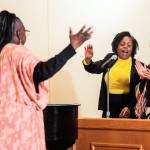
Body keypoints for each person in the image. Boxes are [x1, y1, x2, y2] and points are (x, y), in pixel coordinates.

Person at [0, 10, 93, 150]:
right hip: (21, 128)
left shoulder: (3, 55)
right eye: (25, 31)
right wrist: (71, 48)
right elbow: (41, 71)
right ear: (19, 33)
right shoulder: (17, 51)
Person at [83, 31, 141, 118]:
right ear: (116, 46)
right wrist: (88, 60)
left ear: (132, 49)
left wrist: (130, 107)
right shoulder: (111, 58)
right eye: (122, 44)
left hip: (127, 108)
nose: (126, 47)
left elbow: (140, 91)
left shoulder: (137, 66)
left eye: (129, 45)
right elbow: (95, 68)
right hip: (108, 107)